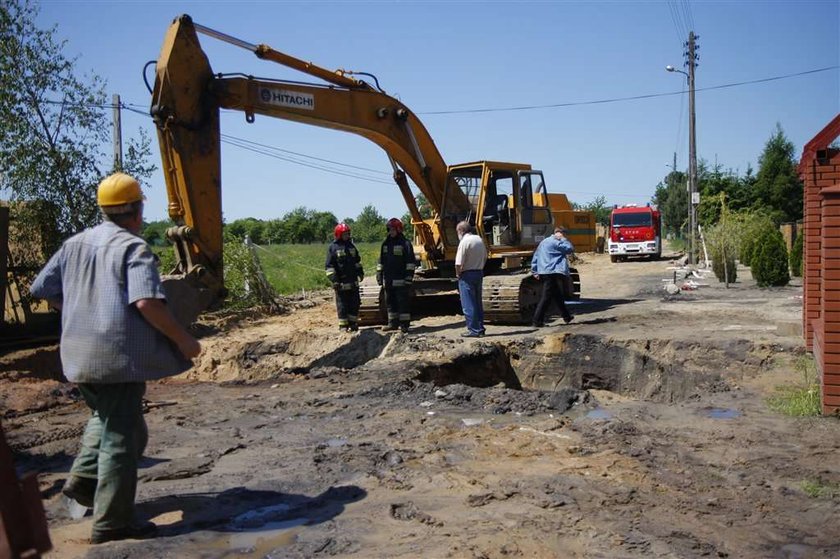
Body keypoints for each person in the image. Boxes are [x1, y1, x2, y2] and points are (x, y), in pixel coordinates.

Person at [29, 172, 201, 545]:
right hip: (114, 358)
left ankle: (84, 484)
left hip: (76, 354)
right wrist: (184, 340)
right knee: (122, 437)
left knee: (110, 420)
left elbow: (41, 287)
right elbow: (147, 303)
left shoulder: (75, 243)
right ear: (137, 211)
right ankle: (113, 522)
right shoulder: (132, 248)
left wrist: (77, 308)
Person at [530, 226, 575, 327]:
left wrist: (535, 271)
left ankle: (566, 316)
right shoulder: (556, 242)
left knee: (557, 295)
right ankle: (537, 321)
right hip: (551, 272)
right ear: (560, 233)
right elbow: (570, 249)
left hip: (544, 271)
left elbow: (536, 256)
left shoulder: (544, 242)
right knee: (546, 297)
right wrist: (563, 239)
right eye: (565, 234)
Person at [376, 217, 415, 333]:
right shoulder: (385, 244)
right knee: (390, 303)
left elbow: (410, 263)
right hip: (388, 280)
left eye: (393, 229)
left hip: (401, 281)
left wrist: (408, 278)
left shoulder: (405, 244)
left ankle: (404, 325)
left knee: (403, 304)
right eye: (389, 229)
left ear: (398, 230)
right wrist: (379, 274)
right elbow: (381, 261)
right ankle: (392, 324)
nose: (390, 232)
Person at [325, 223, 364, 332]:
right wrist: (335, 280)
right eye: (345, 234)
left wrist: (360, 272)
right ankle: (343, 326)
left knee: (355, 304)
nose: (348, 235)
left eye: (348, 233)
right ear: (339, 234)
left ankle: (353, 323)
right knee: (342, 305)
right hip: (341, 284)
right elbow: (329, 267)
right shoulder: (333, 248)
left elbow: (357, 261)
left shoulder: (351, 247)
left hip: (353, 283)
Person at [455, 221, 487, 338]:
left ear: (461, 231)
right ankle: (480, 327)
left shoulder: (464, 242)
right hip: (479, 272)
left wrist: (458, 274)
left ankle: (474, 329)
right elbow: (485, 256)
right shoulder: (479, 240)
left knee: (468, 304)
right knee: (477, 303)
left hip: (467, 274)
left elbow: (458, 263)